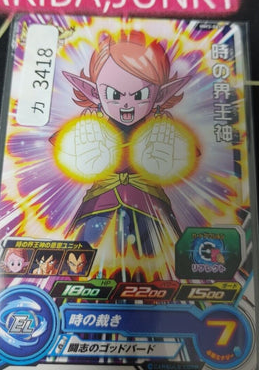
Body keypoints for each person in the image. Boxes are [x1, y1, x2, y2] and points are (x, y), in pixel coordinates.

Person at [53, 30, 199, 281]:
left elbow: (188, 157)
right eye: (114, 95)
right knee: (81, 267)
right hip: (100, 204)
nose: (127, 104)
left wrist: (166, 161)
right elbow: (65, 151)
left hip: (150, 205)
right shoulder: (90, 128)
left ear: (159, 95)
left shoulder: (163, 130)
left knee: (159, 269)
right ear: (96, 93)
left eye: (140, 95)